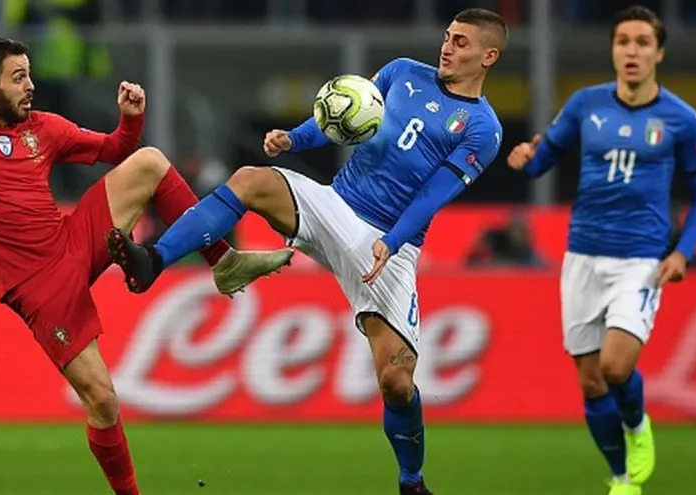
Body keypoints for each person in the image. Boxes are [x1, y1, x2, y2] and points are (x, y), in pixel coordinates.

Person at [0, 28, 293, 495]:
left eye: (29, 75)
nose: (31, 86)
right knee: (103, 401)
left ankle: (222, 260)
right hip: (38, 287)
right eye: (19, 77)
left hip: (71, 239)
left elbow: (115, 150)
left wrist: (131, 120)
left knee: (150, 160)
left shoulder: (43, 129)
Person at [108, 8, 508, 494]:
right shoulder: (402, 72)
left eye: (462, 43)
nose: (448, 47)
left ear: (489, 56)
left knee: (397, 382)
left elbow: (435, 195)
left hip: (389, 245)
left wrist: (392, 241)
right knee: (250, 180)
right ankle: (153, 259)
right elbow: (341, 116)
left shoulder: (484, 129)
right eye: (448, 37)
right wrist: (294, 137)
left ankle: (411, 481)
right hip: (334, 203)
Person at [507, 6, 696, 495]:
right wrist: (526, 160)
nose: (631, 51)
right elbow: (542, 162)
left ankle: (637, 426)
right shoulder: (584, 105)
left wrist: (681, 252)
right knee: (592, 382)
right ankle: (621, 480)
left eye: (641, 42)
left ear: (658, 52)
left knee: (617, 367)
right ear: (613, 50)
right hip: (582, 256)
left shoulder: (683, 120)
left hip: (639, 259)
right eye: (622, 41)